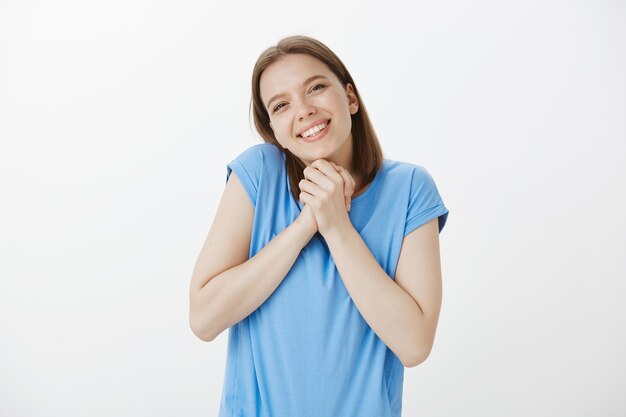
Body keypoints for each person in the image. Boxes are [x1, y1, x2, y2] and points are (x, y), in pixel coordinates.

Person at [189, 35, 449, 417]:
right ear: (273, 129)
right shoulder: (258, 174)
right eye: (281, 105)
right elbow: (204, 319)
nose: (304, 110)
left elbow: (414, 345)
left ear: (350, 98)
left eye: (316, 87)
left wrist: (336, 225)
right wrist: (305, 224)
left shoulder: (410, 188)